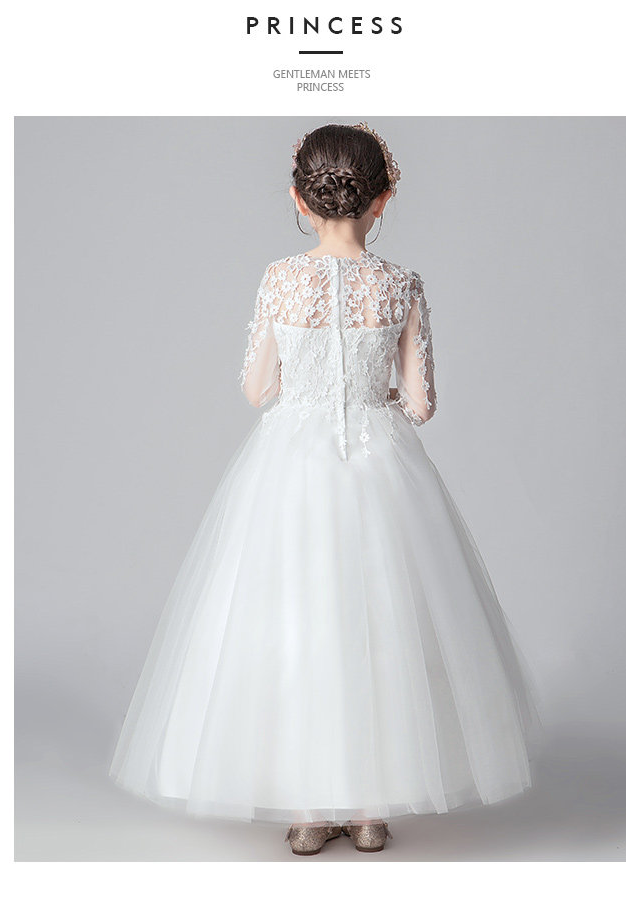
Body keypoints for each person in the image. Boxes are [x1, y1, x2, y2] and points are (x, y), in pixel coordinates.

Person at [109, 122, 542, 856]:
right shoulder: (401, 284)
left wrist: (307, 386)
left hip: (290, 466)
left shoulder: (281, 279)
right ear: (383, 197)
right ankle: (370, 808)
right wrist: (376, 399)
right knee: (384, 624)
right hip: (380, 463)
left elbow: (256, 389)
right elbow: (423, 403)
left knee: (296, 621)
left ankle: (312, 806)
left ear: (299, 198)